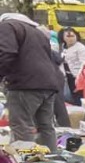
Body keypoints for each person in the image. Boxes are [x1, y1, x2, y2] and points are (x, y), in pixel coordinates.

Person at [1, 11, 61, 149]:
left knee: (22, 125)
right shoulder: (36, 31)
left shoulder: (7, 26)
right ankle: (52, 162)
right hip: (49, 83)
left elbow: (6, 53)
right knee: (46, 126)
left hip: (25, 83)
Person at [59, 28, 85, 103]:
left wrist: (79, 77)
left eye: (72, 36)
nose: (70, 39)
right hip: (66, 76)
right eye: (68, 36)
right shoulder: (63, 47)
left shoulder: (80, 48)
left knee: (78, 97)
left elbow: (84, 63)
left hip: (77, 76)